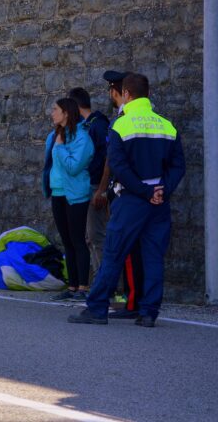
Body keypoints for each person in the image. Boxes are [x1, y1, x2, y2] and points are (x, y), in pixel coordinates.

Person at [69, 73, 185, 327]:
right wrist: (161, 190)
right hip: (159, 202)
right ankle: (149, 313)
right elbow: (178, 166)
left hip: (131, 200)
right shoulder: (167, 125)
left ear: (127, 94)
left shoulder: (120, 125)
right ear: (148, 94)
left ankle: (97, 308)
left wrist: (144, 192)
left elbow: (118, 167)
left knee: (113, 253)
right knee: (153, 256)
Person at [99, 71, 144, 319]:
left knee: (126, 250)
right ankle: (135, 300)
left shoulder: (123, 120)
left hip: (126, 191)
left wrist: (104, 190)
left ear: (118, 92)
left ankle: (131, 301)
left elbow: (113, 161)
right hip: (141, 191)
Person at [42, 98, 94, 301]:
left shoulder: (82, 138)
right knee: (67, 242)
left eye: (55, 109)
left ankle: (83, 287)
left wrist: (60, 148)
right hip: (58, 193)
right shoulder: (55, 135)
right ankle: (72, 287)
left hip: (76, 195)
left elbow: (74, 167)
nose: (51, 112)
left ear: (66, 113)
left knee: (78, 241)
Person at [67, 87, 110, 280]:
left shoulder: (97, 126)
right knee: (89, 237)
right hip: (85, 188)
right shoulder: (86, 126)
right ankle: (99, 280)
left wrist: (101, 190)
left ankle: (105, 283)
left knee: (96, 236)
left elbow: (108, 160)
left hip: (95, 187)